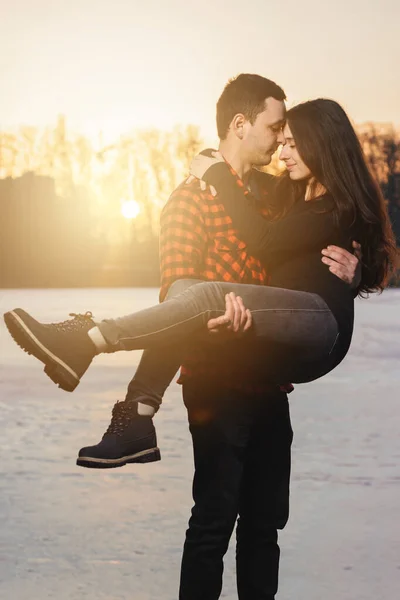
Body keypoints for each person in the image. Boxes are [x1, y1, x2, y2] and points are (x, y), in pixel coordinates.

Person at [4, 76, 372, 600]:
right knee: (213, 524)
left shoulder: (274, 196)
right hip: (217, 383)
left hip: (268, 380)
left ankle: (121, 389)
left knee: (265, 525)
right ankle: (111, 375)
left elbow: (310, 247)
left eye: (289, 137)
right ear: (241, 125)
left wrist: (355, 273)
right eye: (275, 130)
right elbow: (176, 291)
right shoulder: (190, 201)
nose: (280, 144)